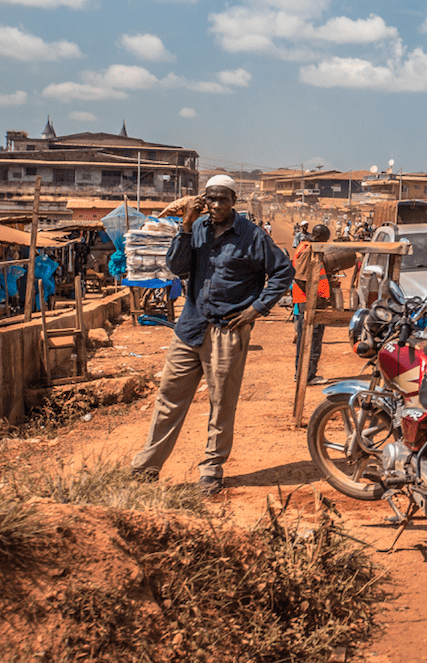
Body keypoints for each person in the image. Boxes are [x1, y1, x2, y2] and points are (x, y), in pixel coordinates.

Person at [131, 175, 294, 495]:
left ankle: (211, 469)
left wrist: (256, 310)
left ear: (234, 201)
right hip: (190, 326)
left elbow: (282, 272)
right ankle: (146, 466)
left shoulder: (253, 236)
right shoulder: (198, 230)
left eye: (223, 199)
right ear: (203, 200)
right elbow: (177, 268)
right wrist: (186, 226)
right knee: (168, 399)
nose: (217, 206)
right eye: (211, 200)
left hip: (227, 331)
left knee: (221, 403)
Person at [291, 223, 331, 385]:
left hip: (307, 300)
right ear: (319, 237)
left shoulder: (305, 246)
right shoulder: (308, 250)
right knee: (311, 338)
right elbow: (300, 278)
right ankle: (308, 375)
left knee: (305, 338)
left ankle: (301, 374)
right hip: (309, 302)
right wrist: (314, 299)